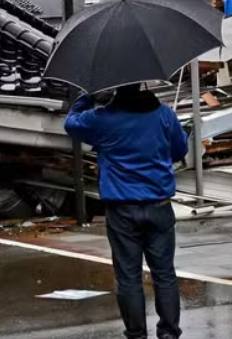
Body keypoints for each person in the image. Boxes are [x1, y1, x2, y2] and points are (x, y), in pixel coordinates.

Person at [64, 83, 188, 339]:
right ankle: (168, 333)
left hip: (121, 210)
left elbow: (72, 124)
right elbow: (180, 150)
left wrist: (87, 96)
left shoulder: (102, 119)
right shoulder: (164, 114)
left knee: (129, 278)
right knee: (164, 274)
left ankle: (136, 334)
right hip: (160, 207)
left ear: (115, 91)